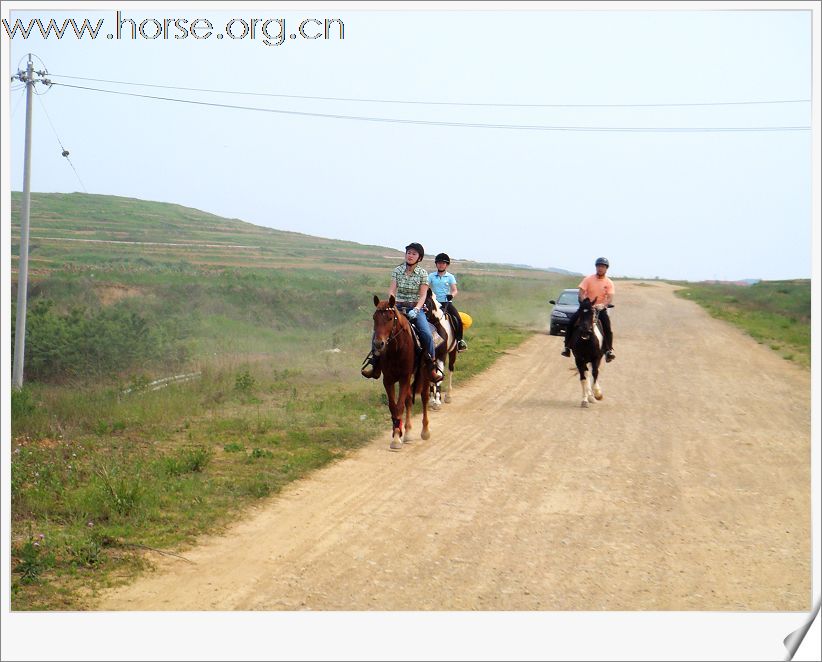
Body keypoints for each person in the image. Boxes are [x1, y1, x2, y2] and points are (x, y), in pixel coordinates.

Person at [361, 243, 444, 382]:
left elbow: (423, 295)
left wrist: (417, 309)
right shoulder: (397, 270)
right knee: (378, 332)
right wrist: (391, 304)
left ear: (419, 258)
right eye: (409, 253)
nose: (410, 256)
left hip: (415, 308)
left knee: (426, 334)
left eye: (414, 254)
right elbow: (392, 290)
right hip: (397, 307)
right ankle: (375, 364)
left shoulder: (423, 273)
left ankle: (431, 367)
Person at [561, 257, 616, 362]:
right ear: (596, 267)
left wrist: (603, 305)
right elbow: (581, 292)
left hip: (600, 310)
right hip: (586, 309)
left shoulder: (609, 283)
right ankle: (567, 347)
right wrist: (585, 303)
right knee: (571, 323)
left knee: (607, 328)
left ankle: (609, 350)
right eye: (599, 266)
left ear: (606, 269)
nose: (600, 268)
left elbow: (609, 298)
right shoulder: (588, 279)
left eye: (603, 267)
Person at [427, 253, 468, 351]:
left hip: (446, 303)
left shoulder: (450, 277)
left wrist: (452, 295)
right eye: (439, 263)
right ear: (436, 264)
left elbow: (454, 290)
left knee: (457, 319)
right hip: (434, 303)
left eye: (443, 263)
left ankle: (459, 341)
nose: (441, 265)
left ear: (447, 265)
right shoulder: (431, 276)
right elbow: (426, 287)